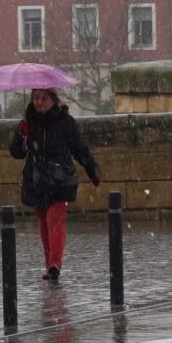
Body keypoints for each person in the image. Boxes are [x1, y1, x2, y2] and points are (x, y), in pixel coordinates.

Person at [9, 88, 101, 281]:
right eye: (35, 98)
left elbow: (79, 149)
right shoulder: (28, 123)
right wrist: (21, 137)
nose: (39, 102)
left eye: (43, 98)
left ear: (53, 100)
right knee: (43, 222)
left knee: (55, 220)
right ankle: (50, 262)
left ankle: (54, 264)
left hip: (60, 179)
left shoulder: (65, 122)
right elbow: (17, 153)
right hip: (36, 180)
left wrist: (92, 170)